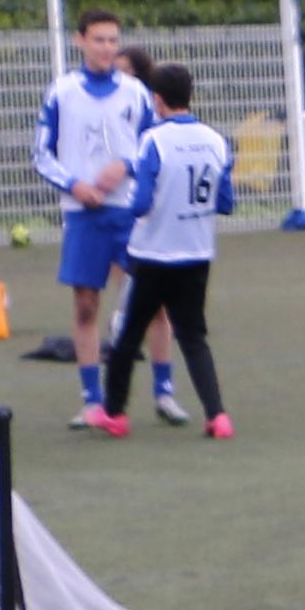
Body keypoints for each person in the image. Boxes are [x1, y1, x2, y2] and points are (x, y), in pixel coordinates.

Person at [39, 11, 178, 425]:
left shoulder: (136, 92)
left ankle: (164, 392)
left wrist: (126, 166)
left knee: (153, 303)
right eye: (98, 39)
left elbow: (155, 143)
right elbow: (41, 153)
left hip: (129, 212)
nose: (106, 48)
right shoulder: (61, 92)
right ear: (80, 40)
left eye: (113, 40)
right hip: (83, 213)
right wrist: (74, 185)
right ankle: (92, 401)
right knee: (85, 305)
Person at [92, 62, 240, 442]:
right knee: (193, 336)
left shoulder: (153, 141)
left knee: (128, 336)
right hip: (197, 252)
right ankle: (218, 415)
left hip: (154, 254)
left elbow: (141, 203)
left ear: (156, 100)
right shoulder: (216, 140)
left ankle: (114, 414)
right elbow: (225, 202)